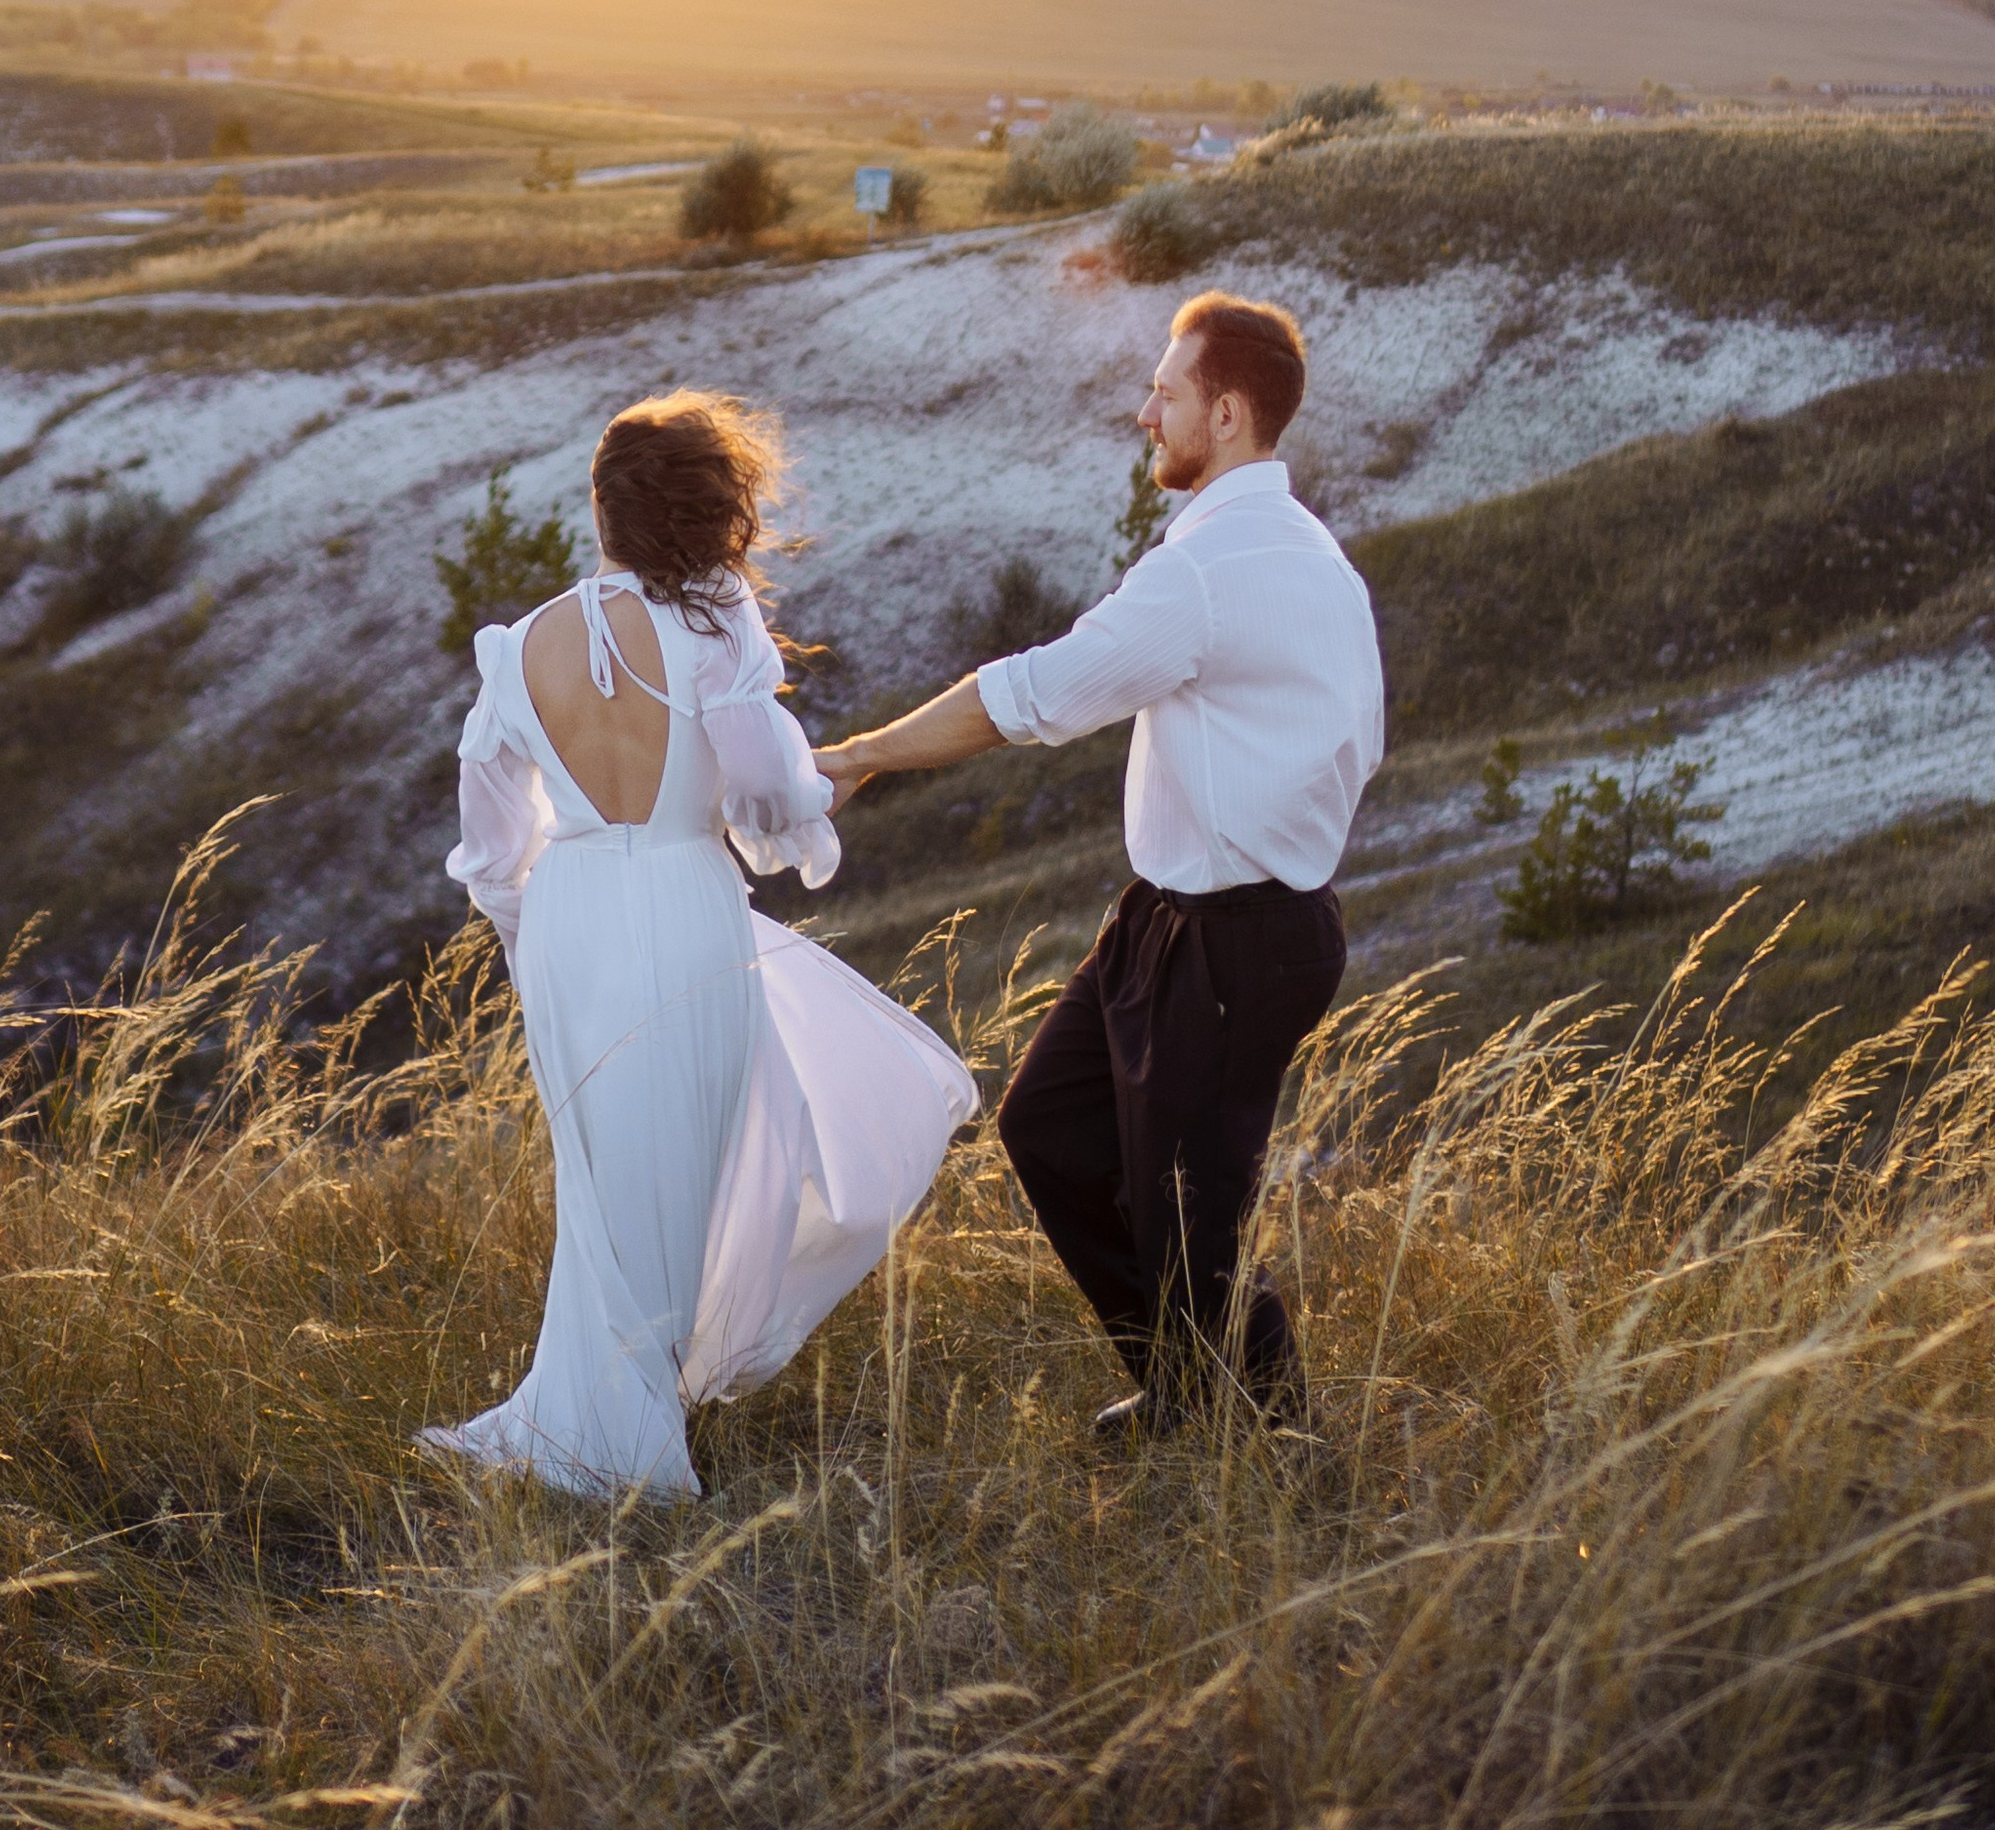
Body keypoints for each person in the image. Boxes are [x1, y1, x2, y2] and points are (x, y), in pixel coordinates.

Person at [818, 290, 1381, 1442]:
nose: (1143, 413)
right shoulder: (1312, 554)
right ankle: (1185, 1385)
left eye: (1163, 394)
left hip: (1238, 933)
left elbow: (1029, 696)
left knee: (1188, 1213)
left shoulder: (1207, 569)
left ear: (1224, 415)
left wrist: (863, 755)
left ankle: (1277, 1447)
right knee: (1048, 1127)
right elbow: (1357, 742)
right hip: (1178, 918)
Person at [424, 388, 976, 1498]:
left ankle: (603, 1417)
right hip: (682, 900)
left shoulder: (517, 649)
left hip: (568, 918)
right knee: (687, 1168)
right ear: (713, 512)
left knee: (601, 1185)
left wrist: (535, 948)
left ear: (601, 510)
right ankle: (626, 1441)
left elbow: (489, 855)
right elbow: (766, 792)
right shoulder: (712, 627)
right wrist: (816, 800)